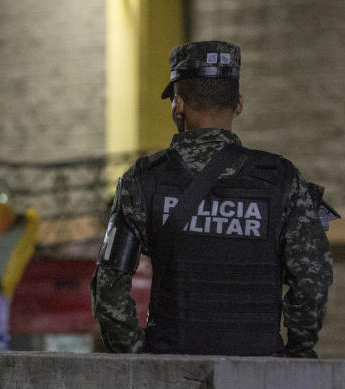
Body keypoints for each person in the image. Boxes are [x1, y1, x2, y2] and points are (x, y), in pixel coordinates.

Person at [91, 41, 334, 357]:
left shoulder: (143, 179)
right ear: (239, 104)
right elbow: (311, 283)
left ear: (178, 105)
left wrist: (140, 355)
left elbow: (109, 288)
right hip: (260, 369)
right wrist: (297, 353)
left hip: (170, 367)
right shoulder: (282, 179)